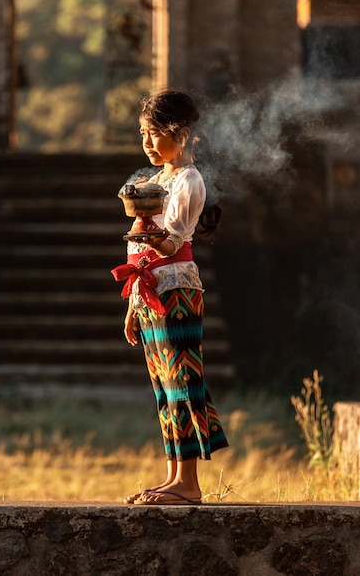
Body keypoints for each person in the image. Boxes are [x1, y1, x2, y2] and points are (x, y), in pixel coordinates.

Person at [111, 89, 229, 505]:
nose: (147, 142)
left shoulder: (187, 180)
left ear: (181, 135)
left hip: (176, 288)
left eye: (155, 133)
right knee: (163, 385)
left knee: (183, 381)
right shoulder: (155, 180)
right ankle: (172, 475)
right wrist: (132, 306)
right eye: (143, 132)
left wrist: (144, 222)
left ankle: (190, 484)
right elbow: (140, 253)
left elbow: (170, 242)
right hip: (149, 292)